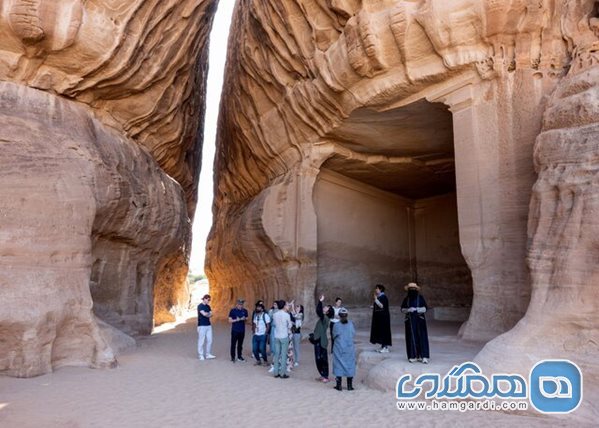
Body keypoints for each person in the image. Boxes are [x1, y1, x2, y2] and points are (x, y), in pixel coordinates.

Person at [401, 283, 430, 364]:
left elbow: (425, 308)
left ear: (416, 290)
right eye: (410, 289)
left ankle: (424, 356)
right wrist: (408, 310)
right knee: (411, 338)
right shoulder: (406, 299)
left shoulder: (420, 298)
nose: (412, 290)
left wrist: (417, 309)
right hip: (410, 321)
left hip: (420, 321)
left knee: (422, 337)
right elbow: (402, 309)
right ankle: (413, 356)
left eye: (413, 289)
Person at [332, 308, 356, 391]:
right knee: (350, 365)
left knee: (338, 365)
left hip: (339, 348)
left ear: (339, 316)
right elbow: (353, 334)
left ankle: (339, 386)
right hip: (349, 349)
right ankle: (349, 386)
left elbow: (334, 335)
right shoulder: (351, 324)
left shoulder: (336, 325)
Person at [311, 295, 334, 383]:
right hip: (318, 340)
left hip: (322, 341)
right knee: (318, 358)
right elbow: (319, 312)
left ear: (328, 312)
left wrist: (320, 301)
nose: (324, 307)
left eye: (326, 307)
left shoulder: (325, 318)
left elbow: (319, 311)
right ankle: (322, 374)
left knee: (323, 359)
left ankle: (326, 376)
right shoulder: (323, 318)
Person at [272, 300, 292, 378]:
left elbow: (274, 324)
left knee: (277, 354)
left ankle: (275, 372)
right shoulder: (286, 315)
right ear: (284, 306)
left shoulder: (275, 314)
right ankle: (282, 373)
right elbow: (289, 326)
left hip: (277, 336)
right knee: (283, 355)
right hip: (284, 336)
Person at [370, 284, 392, 353]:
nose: (376, 290)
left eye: (377, 289)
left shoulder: (383, 297)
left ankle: (385, 347)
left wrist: (376, 299)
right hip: (380, 318)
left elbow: (382, 306)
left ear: (380, 289)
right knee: (380, 331)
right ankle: (382, 346)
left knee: (384, 331)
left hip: (384, 318)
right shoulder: (380, 297)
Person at [197, 294, 216, 360]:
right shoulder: (200, 306)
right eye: (208, 300)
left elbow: (211, 314)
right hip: (201, 325)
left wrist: (207, 314)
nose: (209, 301)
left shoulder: (208, 306)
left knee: (209, 340)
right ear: (204, 299)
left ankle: (208, 354)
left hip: (208, 325)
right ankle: (200, 355)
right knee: (201, 340)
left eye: (209, 300)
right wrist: (208, 314)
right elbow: (204, 314)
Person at [290, 302, 304, 366]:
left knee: (296, 347)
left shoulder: (301, 314)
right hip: (291, 332)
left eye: (298, 307)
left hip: (297, 333)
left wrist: (292, 307)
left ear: (301, 309)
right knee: (291, 347)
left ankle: (297, 361)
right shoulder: (293, 313)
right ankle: (291, 360)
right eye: (296, 307)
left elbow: (296, 316)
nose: (297, 308)